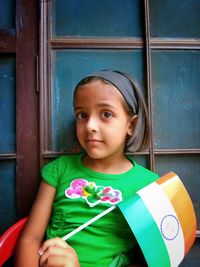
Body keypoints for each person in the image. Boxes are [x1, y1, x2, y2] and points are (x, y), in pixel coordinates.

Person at [15, 70, 159, 267]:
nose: (90, 125)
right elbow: (29, 240)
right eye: (82, 115)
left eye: (106, 114)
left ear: (131, 125)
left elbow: (149, 260)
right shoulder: (59, 170)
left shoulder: (149, 186)